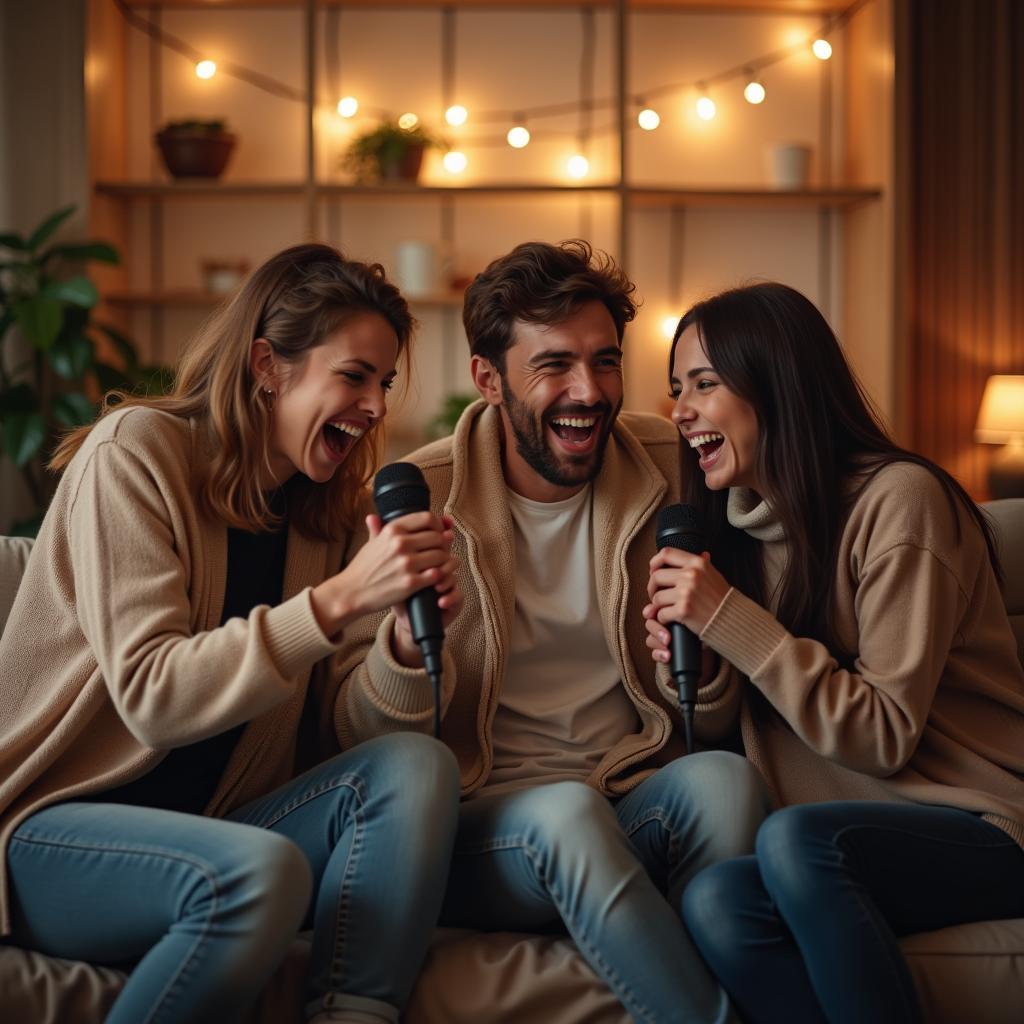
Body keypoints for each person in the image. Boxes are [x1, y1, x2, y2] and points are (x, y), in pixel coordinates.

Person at [0, 243, 464, 1024]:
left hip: (214, 830)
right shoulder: (135, 456)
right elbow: (154, 697)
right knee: (259, 874)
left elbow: (340, 738)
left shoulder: (322, 517)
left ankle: (353, 1012)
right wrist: (338, 601)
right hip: (47, 835)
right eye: (354, 376)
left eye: (384, 383)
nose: (378, 407)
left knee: (416, 766)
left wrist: (404, 651)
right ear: (267, 365)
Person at [335, 239, 771, 1024]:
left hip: (628, 799)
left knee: (729, 784)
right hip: (482, 830)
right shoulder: (414, 498)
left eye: (606, 362)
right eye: (554, 365)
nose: (588, 391)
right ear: (487, 378)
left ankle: (688, 961)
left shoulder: (674, 467)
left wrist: (701, 670)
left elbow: (713, 724)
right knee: (563, 813)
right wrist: (401, 650)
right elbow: (356, 740)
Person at [643, 281, 1024, 1024]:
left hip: (988, 829)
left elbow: (881, 736)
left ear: (777, 384)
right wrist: (705, 659)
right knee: (716, 900)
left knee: (793, 842)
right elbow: (730, 731)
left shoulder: (900, 502)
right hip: (837, 846)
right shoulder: (732, 532)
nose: (680, 411)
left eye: (704, 384)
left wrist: (731, 618)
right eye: (675, 389)